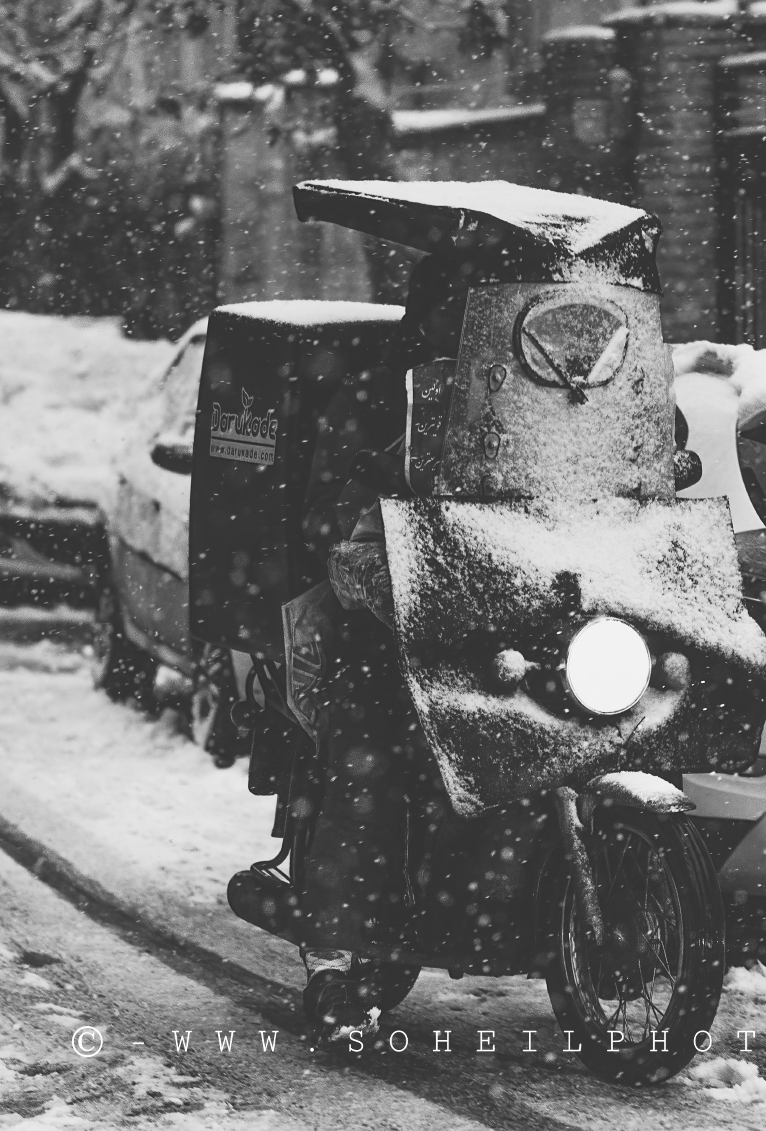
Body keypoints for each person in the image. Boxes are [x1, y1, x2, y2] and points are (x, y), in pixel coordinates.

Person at [296, 253, 467, 1041]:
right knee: (370, 763)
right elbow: (335, 499)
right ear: (432, 312)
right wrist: (374, 478)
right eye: (460, 310)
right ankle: (337, 959)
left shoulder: (537, 400)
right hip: (388, 613)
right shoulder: (382, 389)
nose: (470, 329)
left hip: (500, 616)